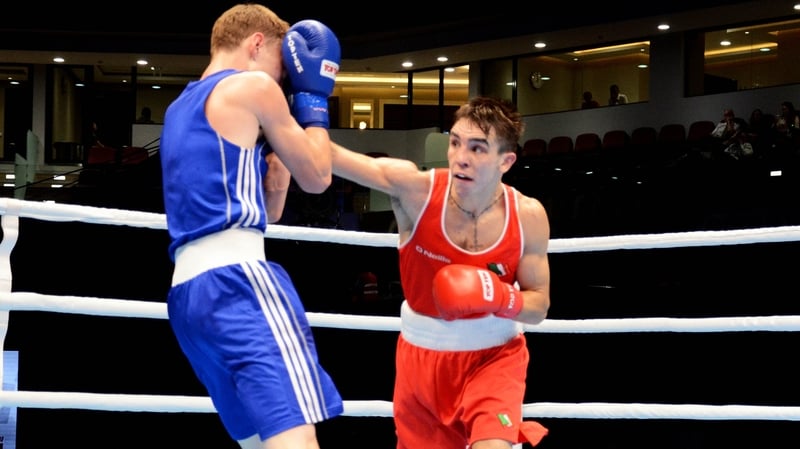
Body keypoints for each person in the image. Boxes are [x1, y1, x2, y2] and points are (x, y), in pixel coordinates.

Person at [158, 5, 343, 449]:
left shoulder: (179, 108)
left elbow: (267, 209)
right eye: (282, 65)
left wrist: (276, 164)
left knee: (261, 441)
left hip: (189, 299)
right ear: (257, 43)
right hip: (237, 284)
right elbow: (318, 177)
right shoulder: (253, 86)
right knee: (296, 438)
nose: (283, 80)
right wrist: (313, 102)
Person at [331, 96, 551, 449]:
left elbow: (538, 306)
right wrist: (288, 119)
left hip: (495, 358)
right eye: (455, 142)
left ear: (506, 161)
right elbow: (331, 156)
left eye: (477, 148)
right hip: (422, 361)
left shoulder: (528, 215)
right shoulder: (417, 192)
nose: (461, 157)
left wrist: (499, 296)